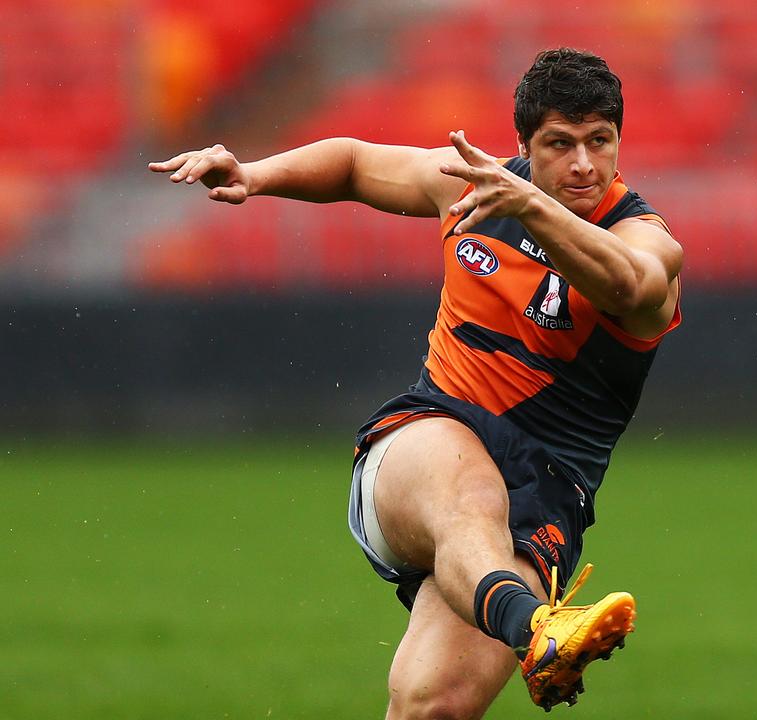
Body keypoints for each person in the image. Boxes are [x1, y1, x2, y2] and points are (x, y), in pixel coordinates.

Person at [150, 48, 682, 715]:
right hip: (425, 440)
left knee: (432, 707)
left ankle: (533, 631)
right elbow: (352, 163)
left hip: (542, 502)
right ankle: (537, 632)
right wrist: (253, 174)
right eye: (560, 144)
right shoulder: (471, 184)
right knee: (470, 493)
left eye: (599, 142)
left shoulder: (645, 240)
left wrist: (531, 207)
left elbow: (631, 284)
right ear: (524, 145)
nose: (582, 164)